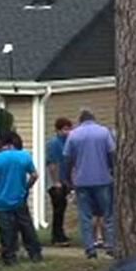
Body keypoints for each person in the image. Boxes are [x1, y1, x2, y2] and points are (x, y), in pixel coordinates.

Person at [64, 109, 117, 259]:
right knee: (108, 214)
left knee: (85, 216)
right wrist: (113, 171)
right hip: (103, 179)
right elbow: (112, 153)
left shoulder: (73, 134)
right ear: (94, 119)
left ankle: (90, 248)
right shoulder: (104, 132)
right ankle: (110, 246)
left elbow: (67, 158)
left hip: (81, 181)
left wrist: (68, 178)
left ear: (80, 121)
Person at [0, 132, 43, 265]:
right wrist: (26, 187)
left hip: (1, 201)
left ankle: (10, 257)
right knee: (27, 227)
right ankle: (35, 254)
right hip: (19, 198)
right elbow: (34, 175)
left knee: (6, 231)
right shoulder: (24, 156)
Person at [45, 117, 74, 247]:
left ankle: (60, 233)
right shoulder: (54, 143)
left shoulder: (68, 142)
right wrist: (56, 181)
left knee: (62, 208)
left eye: (69, 129)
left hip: (65, 181)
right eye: (65, 129)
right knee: (58, 209)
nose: (67, 132)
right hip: (55, 182)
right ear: (58, 130)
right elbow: (52, 164)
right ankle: (57, 237)